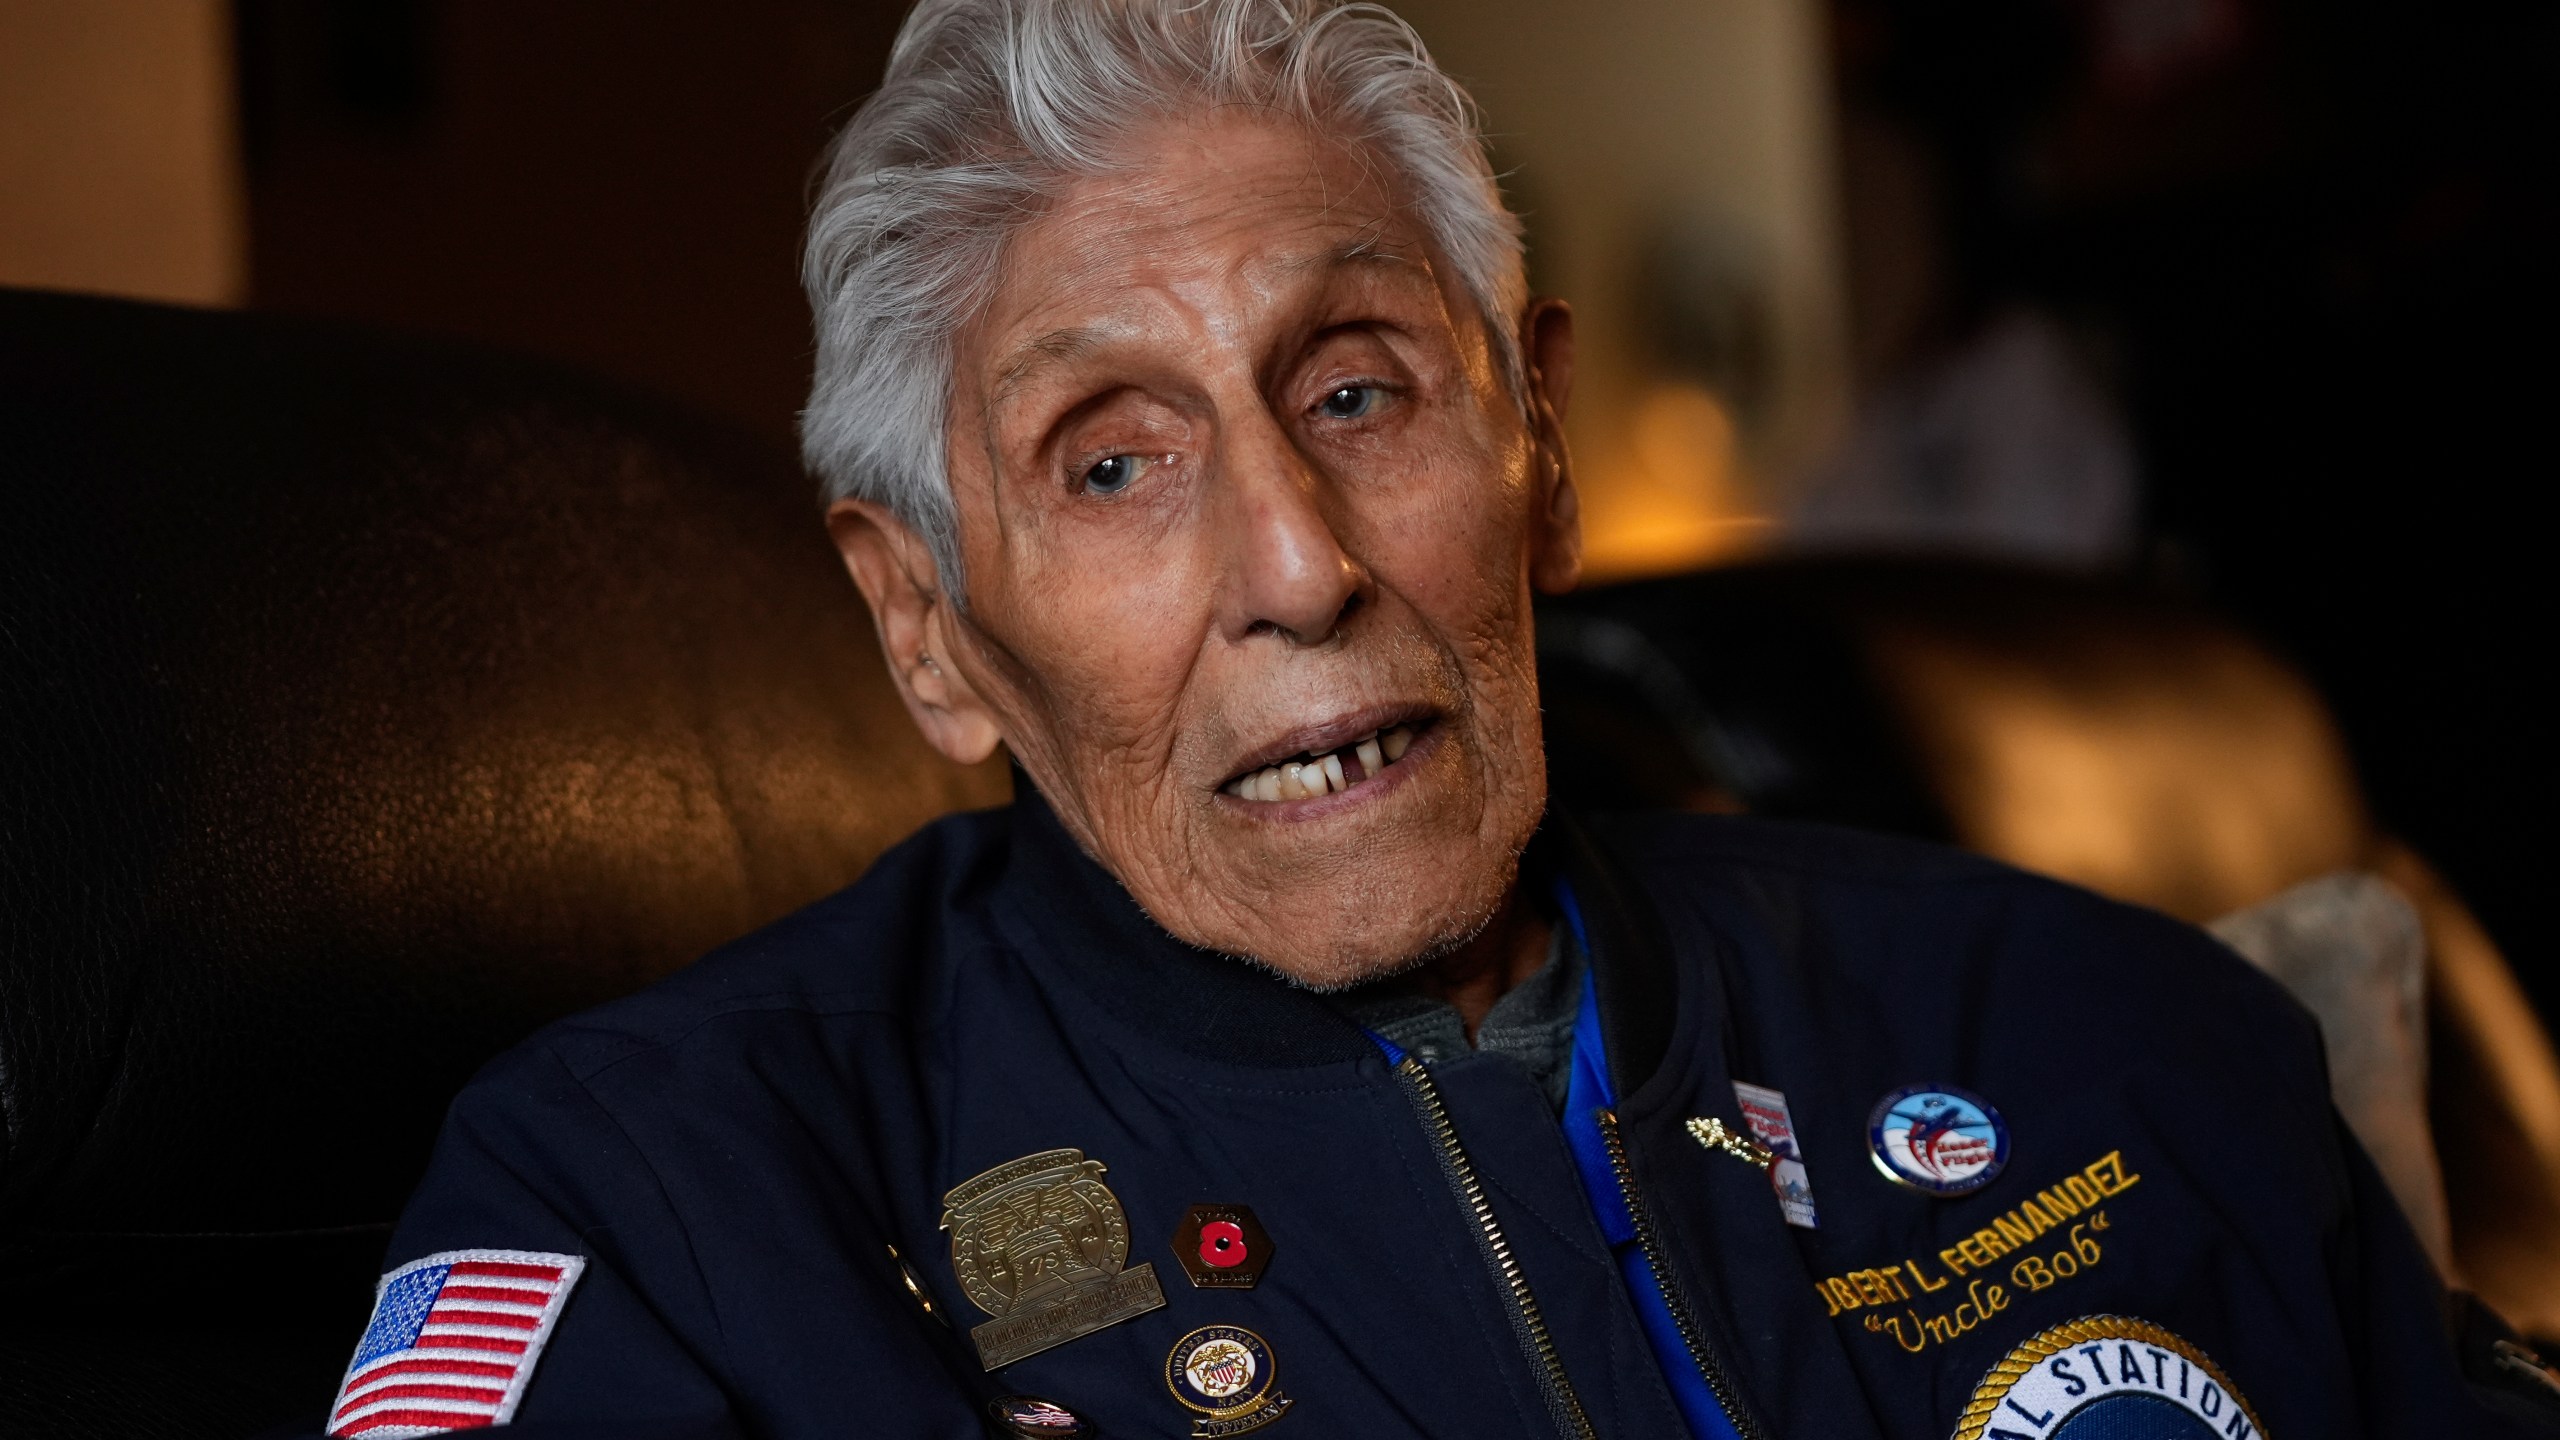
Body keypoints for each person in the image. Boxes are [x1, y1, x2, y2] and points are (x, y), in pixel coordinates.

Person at [313, 2, 2560, 1437]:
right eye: (1112, 459)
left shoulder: (2102, 1027)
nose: (1296, 561)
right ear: (921, 623)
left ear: (1541, 451)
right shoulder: (657, 1209)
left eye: (1358, 390)